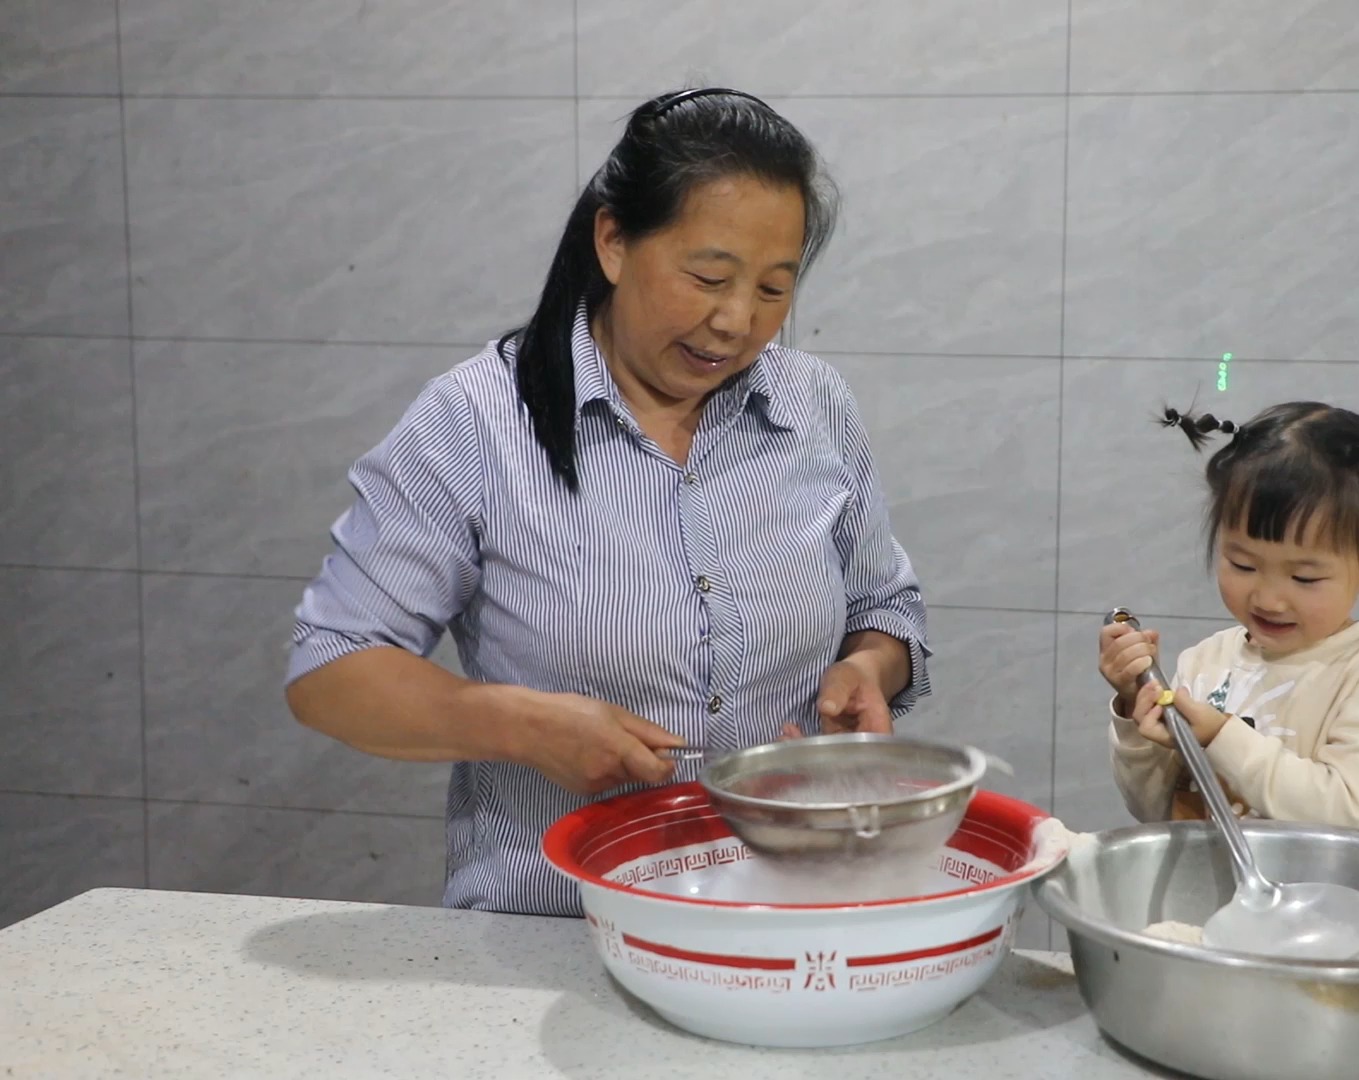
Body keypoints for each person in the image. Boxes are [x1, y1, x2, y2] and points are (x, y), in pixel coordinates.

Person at [285, 87, 930, 917]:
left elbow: (886, 603)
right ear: (615, 241)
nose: (735, 321)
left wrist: (867, 667)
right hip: (557, 937)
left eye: (774, 290)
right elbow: (331, 670)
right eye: (708, 277)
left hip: (787, 924)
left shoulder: (816, 405)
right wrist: (519, 725)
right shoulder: (476, 419)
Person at [1095, 403, 1359, 834]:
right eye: (1243, 565)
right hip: (1207, 897)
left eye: (1304, 577)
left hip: (1327, 898)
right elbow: (1156, 810)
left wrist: (1220, 738)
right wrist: (1132, 708)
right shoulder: (1206, 662)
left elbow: (1351, 814)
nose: (1268, 598)